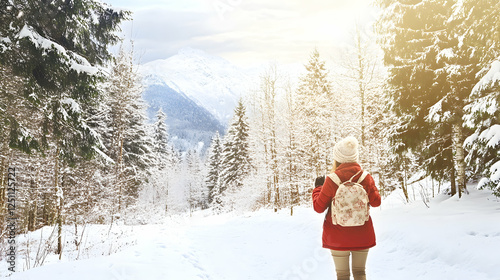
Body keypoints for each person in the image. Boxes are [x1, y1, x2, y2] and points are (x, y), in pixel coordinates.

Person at [312, 136, 381, 280]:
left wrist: (318, 188)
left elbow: (318, 207)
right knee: (360, 272)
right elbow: (376, 202)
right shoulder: (365, 177)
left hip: (337, 235)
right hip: (362, 233)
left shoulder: (332, 179)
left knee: (342, 275)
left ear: (337, 158)